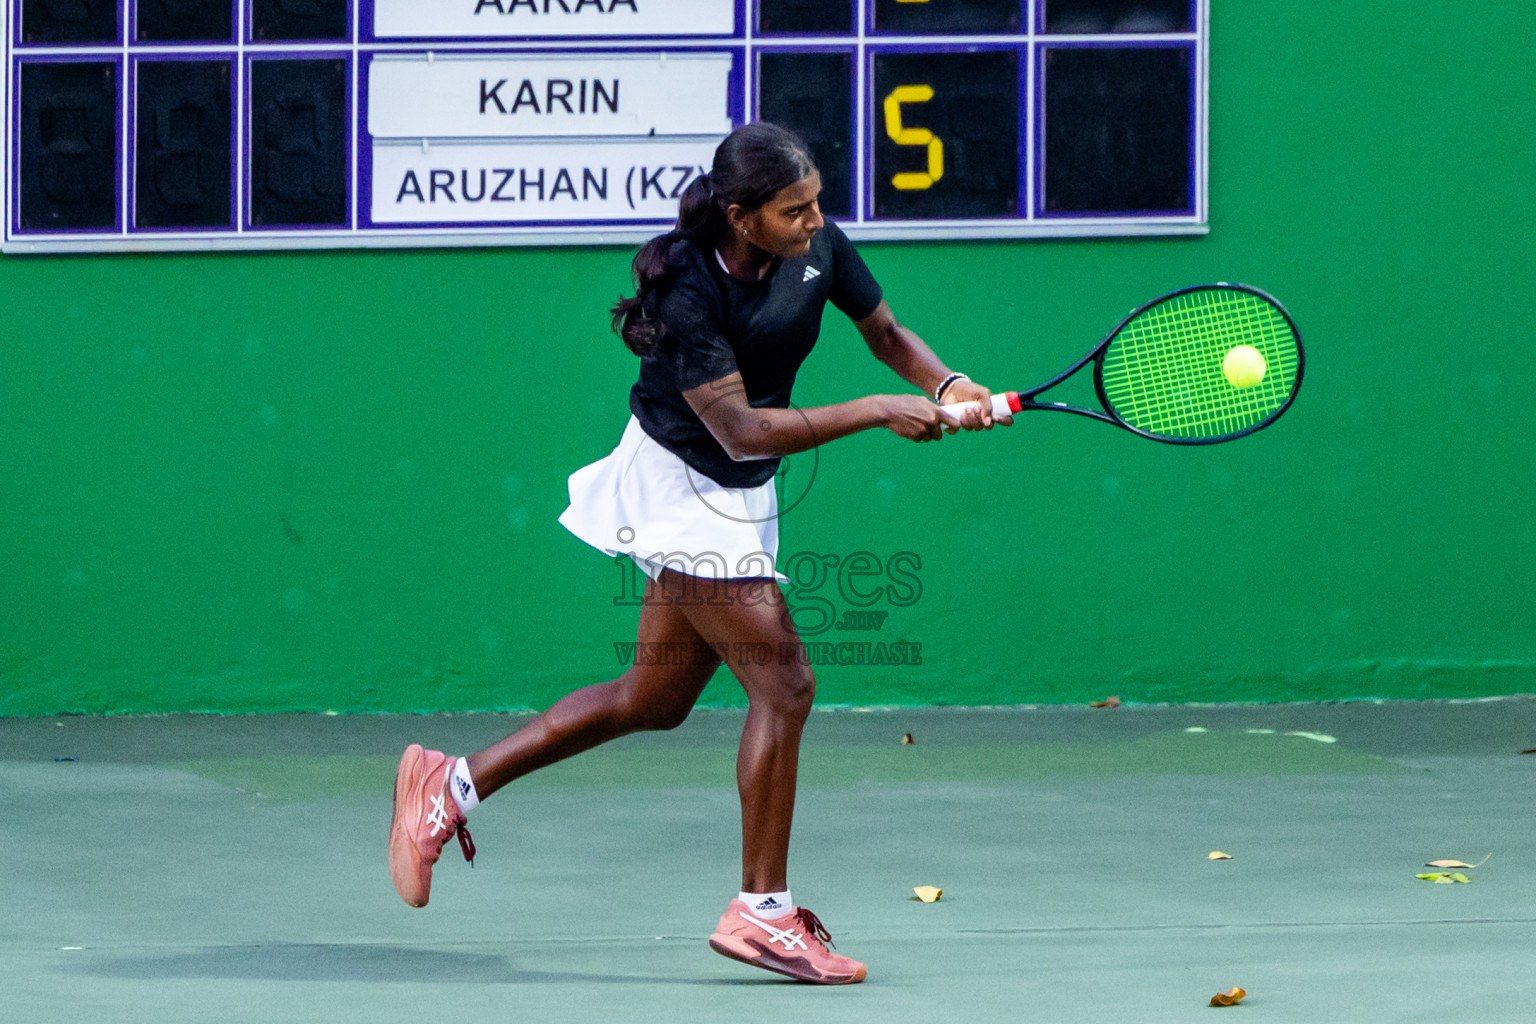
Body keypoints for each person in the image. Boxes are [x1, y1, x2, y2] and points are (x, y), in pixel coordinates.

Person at [387, 122, 1011, 985]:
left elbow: (885, 331)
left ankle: (449, 785)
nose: (814, 220)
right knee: (784, 681)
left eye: (816, 202)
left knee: (654, 699)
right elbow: (745, 429)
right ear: (739, 216)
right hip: (679, 485)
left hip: (743, 495)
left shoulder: (817, 243)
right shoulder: (685, 290)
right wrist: (876, 411)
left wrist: (943, 384)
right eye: (793, 211)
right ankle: (763, 914)